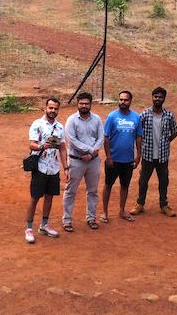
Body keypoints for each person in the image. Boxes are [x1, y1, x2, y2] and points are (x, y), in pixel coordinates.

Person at [25, 97, 68, 244]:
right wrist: (42, 146)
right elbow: (32, 145)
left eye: (55, 108)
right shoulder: (37, 124)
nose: (53, 111)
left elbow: (62, 148)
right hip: (40, 166)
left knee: (49, 196)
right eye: (50, 108)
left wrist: (66, 167)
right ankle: (29, 228)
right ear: (45, 108)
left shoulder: (59, 127)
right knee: (35, 197)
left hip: (53, 167)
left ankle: (44, 225)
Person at [130, 86, 177, 217]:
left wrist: (165, 142)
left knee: (164, 181)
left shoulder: (169, 115)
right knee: (143, 181)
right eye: (155, 96)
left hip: (162, 156)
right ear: (152, 98)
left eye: (160, 97)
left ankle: (164, 205)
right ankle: (140, 204)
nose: (158, 99)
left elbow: (174, 132)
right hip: (148, 155)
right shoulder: (144, 114)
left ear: (164, 99)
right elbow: (138, 132)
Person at [62, 92, 103, 231]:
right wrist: (91, 150)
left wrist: (91, 154)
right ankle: (67, 220)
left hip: (93, 161)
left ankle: (91, 218)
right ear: (77, 104)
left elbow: (101, 138)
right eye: (81, 103)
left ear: (90, 104)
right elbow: (72, 141)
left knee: (93, 191)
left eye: (86, 103)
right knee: (71, 191)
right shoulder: (71, 120)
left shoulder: (97, 119)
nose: (84, 106)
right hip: (76, 161)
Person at [101, 90, 142, 222]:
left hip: (128, 159)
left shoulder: (136, 117)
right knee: (108, 185)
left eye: (125, 100)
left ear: (130, 101)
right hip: (113, 159)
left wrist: (138, 155)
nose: (122, 102)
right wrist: (108, 157)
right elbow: (106, 138)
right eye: (121, 99)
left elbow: (138, 137)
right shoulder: (112, 117)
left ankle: (122, 211)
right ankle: (105, 212)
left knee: (125, 185)